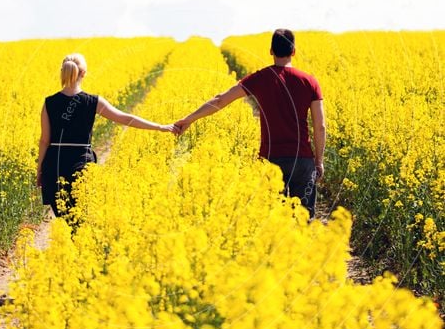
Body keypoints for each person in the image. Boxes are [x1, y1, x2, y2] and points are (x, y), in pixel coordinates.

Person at [174, 29, 326, 218]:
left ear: (271, 50)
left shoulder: (260, 78)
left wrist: (189, 119)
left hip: (270, 159)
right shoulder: (310, 81)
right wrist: (318, 162)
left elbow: (220, 100)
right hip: (302, 160)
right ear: (294, 51)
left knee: (270, 222)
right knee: (304, 222)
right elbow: (320, 126)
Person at [37, 53, 177, 217]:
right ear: (84, 74)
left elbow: (44, 140)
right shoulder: (92, 101)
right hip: (80, 165)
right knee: (81, 222)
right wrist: (160, 127)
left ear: (63, 72)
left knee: (63, 220)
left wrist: (40, 171)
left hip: (53, 166)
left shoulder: (49, 102)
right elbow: (126, 118)